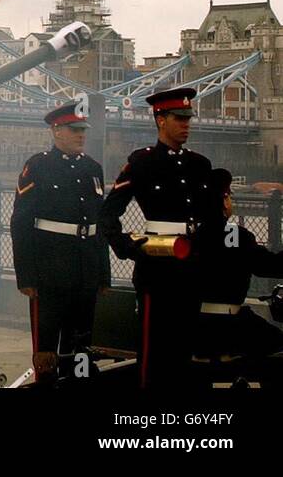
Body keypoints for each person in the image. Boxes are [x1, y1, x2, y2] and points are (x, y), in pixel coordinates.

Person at [100, 87, 220, 389]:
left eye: (188, 118)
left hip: (192, 268)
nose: (186, 124)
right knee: (154, 352)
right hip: (157, 269)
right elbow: (108, 212)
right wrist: (127, 246)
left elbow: (213, 217)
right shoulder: (142, 163)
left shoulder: (199, 165)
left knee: (186, 349)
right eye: (179, 118)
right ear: (160, 120)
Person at [10, 100, 110, 384]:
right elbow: (20, 223)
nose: (81, 135)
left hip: (85, 271)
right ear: (56, 131)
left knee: (81, 345)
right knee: (47, 349)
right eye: (74, 129)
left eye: (83, 129)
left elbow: (98, 225)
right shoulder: (38, 166)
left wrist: (103, 274)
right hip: (50, 271)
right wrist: (26, 276)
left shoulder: (93, 168)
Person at [192, 168, 283, 386]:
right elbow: (266, 266)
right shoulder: (233, 234)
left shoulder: (191, 235)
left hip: (194, 325)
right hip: (230, 325)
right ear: (224, 201)